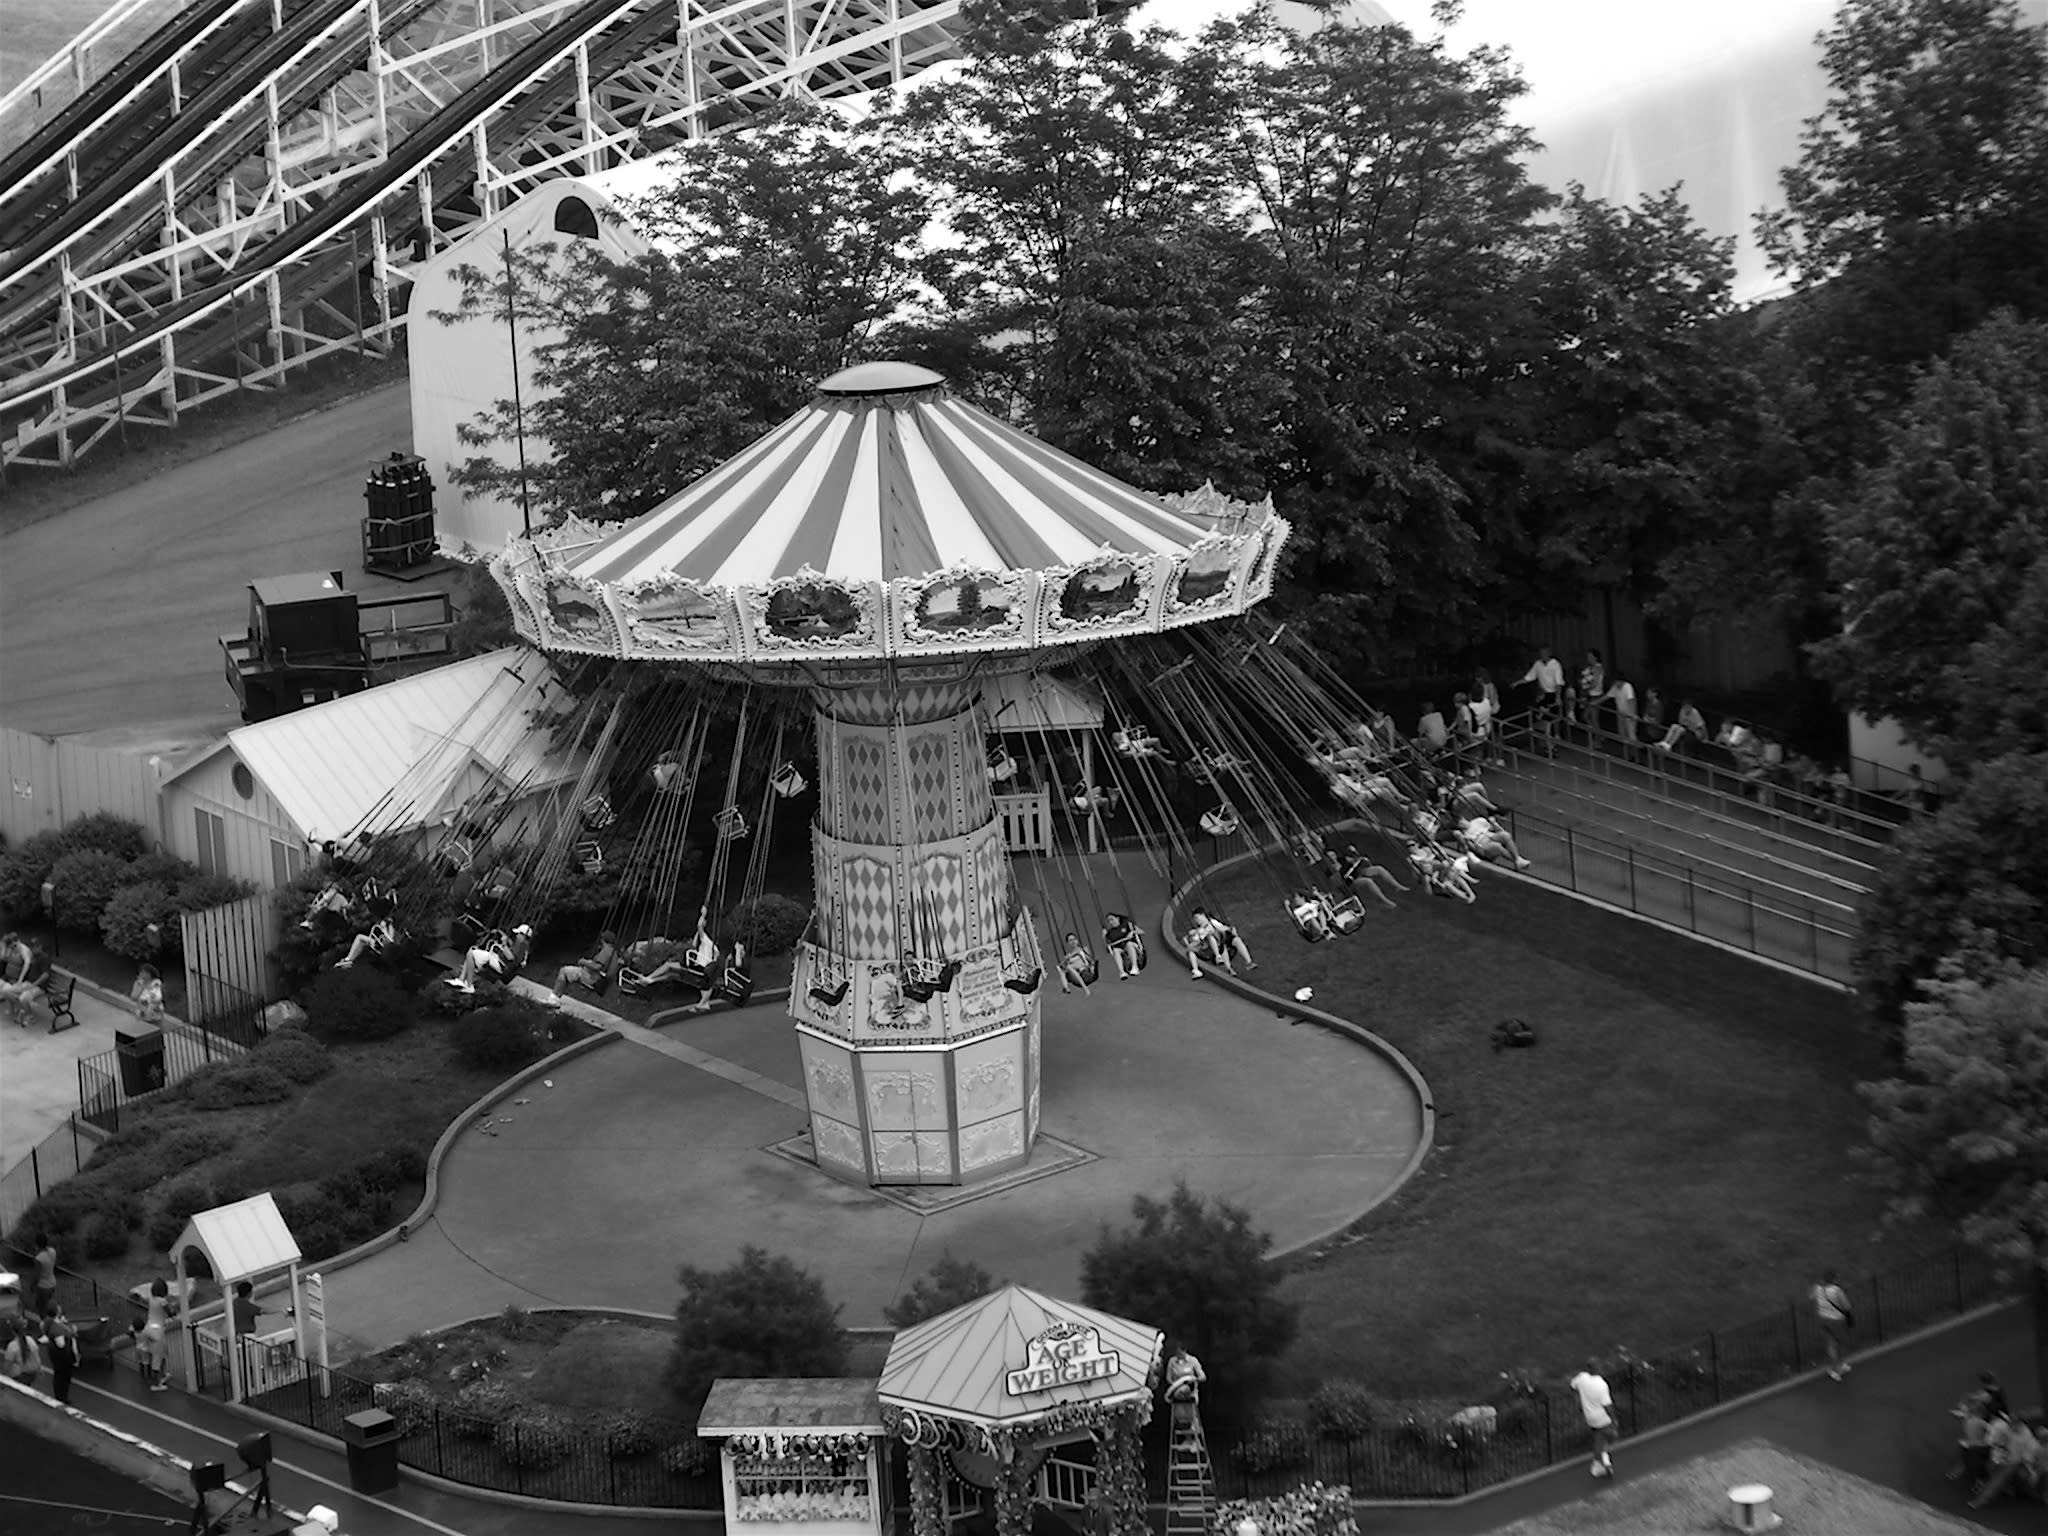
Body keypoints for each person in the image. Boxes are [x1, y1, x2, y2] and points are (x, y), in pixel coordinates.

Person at [1971, 1413, 2042, 1508]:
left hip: (2013, 1462)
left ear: (2020, 1424)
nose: (2011, 1426)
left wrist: (2029, 1468)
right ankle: (2005, 1488)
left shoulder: (2027, 1437)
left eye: (2013, 1424)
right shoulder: (2007, 1428)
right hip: (2001, 1457)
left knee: (1997, 1479)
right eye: (2010, 1423)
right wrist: (1998, 1448)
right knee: (1990, 1468)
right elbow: (1999, 1441)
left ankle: (1981, 1500)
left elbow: (2027, 1455)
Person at [449, 923, 534, 992]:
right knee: (473, 954)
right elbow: (512, 947)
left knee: (471, 953)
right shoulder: (524, 945)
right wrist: (500, 932)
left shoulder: (521, 944)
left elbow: (511, 957)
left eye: (518, 934)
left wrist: (504, 943)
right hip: (500, 963)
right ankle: (463, 979)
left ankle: (467, 983)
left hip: (501, 965)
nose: (516, 935)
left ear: (523, 935)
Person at [1570, 1359, 1618, 1479]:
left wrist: (1578, 1400)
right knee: (1605, 1438)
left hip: (1590, 1417)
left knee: (1600, 1438)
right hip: (1603, 1418)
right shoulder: (1601, 1384)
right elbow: (1607, 1405)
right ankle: (1601, 1464)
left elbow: (1572, 1386)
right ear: (1598, 1369)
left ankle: (1603, 1461)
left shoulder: (1581, 1378)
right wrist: (1614, 1419)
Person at [551, 930, 618, 1003]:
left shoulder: (606, 951)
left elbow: (597, 966)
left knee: (564, 970)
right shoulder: (614, 953)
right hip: (598, 979)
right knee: (568, 974)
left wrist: (583, 962)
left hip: (592, 978)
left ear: (603, 939)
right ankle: (556, 998)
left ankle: (553, 999)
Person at [1810, 1269, 1853, 1380]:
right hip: (1836, 1320)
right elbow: (1847, 1306)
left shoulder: (1818, 1288)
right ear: (1834, 1279)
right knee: (1841, 1342)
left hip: (1823, 1319)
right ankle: (1840, 1365)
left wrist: (1818, 1285)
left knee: (1831, 1344)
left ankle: (1834, 1369)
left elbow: (1811, 1296)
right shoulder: (1837, 1291)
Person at [140, 1276, 179, 1391]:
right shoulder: (163, 1301)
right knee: (158, 1356)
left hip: (148, 1328)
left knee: (154, 1354)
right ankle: (157, 1383)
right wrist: (174, 1309)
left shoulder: (151, 1299)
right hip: (158, 1331)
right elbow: (170, 1313)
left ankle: (160, 1376)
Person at [1340, 844, 1408, 908]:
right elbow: (1344, 876)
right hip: (1351, 881)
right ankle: (1382, 900)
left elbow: (1364, 862)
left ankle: (1396, 886)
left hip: (1359, 872)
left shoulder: (1355, 857)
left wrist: (1357, 856)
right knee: (1368, 881)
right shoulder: (1341, 862)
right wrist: (1352, 865)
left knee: (1379, 868)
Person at [1190, 908, 1254, 973]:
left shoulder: (1212, 922)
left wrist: (1230, 929)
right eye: (1194, 919)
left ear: (1203, 915)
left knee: (1237, 940)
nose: (1196, 920)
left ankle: (1249, 962)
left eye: (1197, 917)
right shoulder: (1198, 929)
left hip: (1222, 938)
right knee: (1222, 947)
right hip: (1214, 947)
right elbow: (1197, 939)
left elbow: (1222, 927)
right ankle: (1229, 969)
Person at [1459, 816, 1532, 870]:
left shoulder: (1478, 821)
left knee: (1505, 835)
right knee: (1496, 846)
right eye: (1460, 825)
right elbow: (1475, 848)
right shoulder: (1465, 834)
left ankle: (1518, 859)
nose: (1462, 825)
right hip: (1484, 845)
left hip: (1491, 836)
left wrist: (1494, 823)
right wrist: (1468, 843)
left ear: (1464, 819)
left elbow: (1497, 829)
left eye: (1461, 822)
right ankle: (1517, 860)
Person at [334, 917, 399, 969]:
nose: (382, 923)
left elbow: (391, 941)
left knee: (359, 937)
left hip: (384, 948)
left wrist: (384, 930)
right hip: (379, 944)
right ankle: (349, 961)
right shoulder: (384, 927)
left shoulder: (391, 928)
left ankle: (347, 959)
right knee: (362, 943)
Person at [42, 1315, 78, 1405]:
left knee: (59, 1377)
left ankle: (60, 1395)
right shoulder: (59, 1330)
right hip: (64, 1358)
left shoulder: (51, 1329)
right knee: (64, 1378)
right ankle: (62, 1397)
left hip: (57, 1358)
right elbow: (62, 1345)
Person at [5, 1317, 43, 1390]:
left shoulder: (12, 1346)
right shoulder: (30, 1340)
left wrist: (5, 1379)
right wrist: (39, 1369)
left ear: (12, 1331)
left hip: (21, 1375)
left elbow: (7, 1365)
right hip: (33, 1374)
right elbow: (36, 1356)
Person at [1103, 913, 1144, 979]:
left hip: (1134, 946)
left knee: (1129, 944)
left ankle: (1135, 967)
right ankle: (1122, 972)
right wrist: (1104, 937)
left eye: (1112, 919)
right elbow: (1108, 949)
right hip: (1122, 949)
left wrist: (1132, 932)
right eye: (1109, 921)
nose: (1111, 922)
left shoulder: (1127, 924)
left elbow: (1141, 931)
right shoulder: (1110, 933)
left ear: (1117, 918)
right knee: (1115, 950)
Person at [29, 1232, 58, 1319]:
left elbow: (37, 1276)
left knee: (42, 1310)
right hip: (52, 1283)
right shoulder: (52, 1251)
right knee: (47, 1306)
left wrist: (32, 1286)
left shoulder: (39, 1259)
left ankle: (45, 1323)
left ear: (37, 1244)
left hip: (43, 1287)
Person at [1058, 932, 1096, 996]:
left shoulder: (1083, 949)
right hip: (1076, 976)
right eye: (1070, 940)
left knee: (1069, 967)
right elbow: (1062, 966)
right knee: (1063, 971)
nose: (1073, 941)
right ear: (1068, 943)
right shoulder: (1069, 955)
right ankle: (1066, 988)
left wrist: (1081, 953)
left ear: (1077, 940)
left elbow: (1091, 960)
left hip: (1086, 972)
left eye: (1074, 939)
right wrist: (1066, 959)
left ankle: (1085, 988)